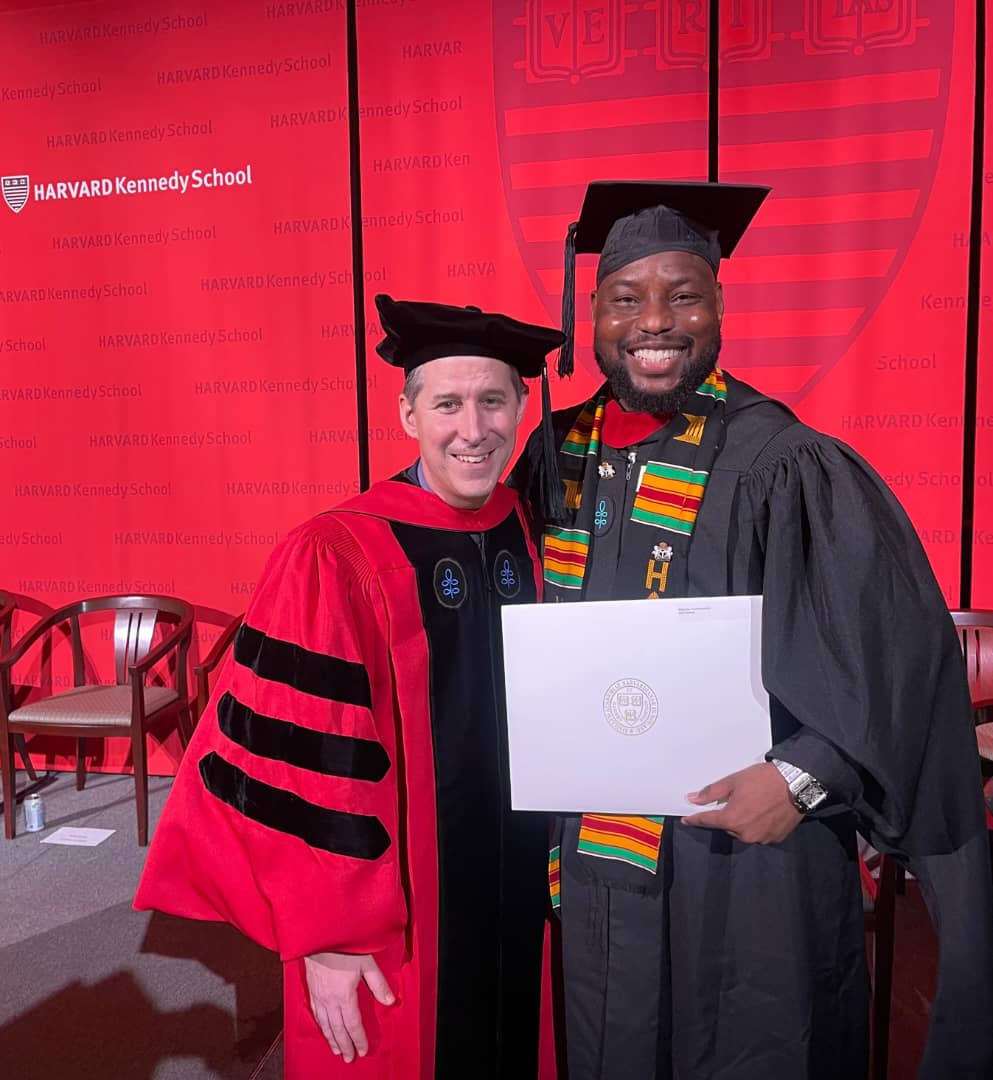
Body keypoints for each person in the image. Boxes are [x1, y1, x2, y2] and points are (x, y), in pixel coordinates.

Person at [511, 181, 993, 1079]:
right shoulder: (554, 454)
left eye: (683, 295)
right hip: (596, 854)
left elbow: (891, 655)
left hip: (743, 850)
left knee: (753, 1041)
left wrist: (804, 781)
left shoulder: (783, 462)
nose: (654, 322)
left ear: (719, 306)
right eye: (625, 299)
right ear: (594, 316)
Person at [135, 294, 565, 1079]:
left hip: (526, 898)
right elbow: (298, 762)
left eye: (492, 401)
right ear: (407, 414)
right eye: (447, 403)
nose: (472, 429)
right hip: (389, 926)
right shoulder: (333, 554)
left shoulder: (537, 532)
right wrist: (329, 934)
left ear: (520, 408)